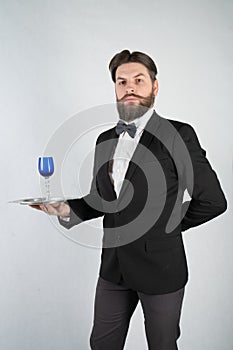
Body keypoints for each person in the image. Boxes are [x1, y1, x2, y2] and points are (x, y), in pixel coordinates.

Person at [31, 50, 227, 350]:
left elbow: (213, 201)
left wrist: (166, 226)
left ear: (154, 87)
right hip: (113, 269)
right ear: (115, 88)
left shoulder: (179, 134)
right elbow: (100, 200)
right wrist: (64, 208)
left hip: (161, 269)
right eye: (122, 82)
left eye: (138, 80)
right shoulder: (105, 139)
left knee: (162, 346)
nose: (130, 87)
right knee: (101, 345)